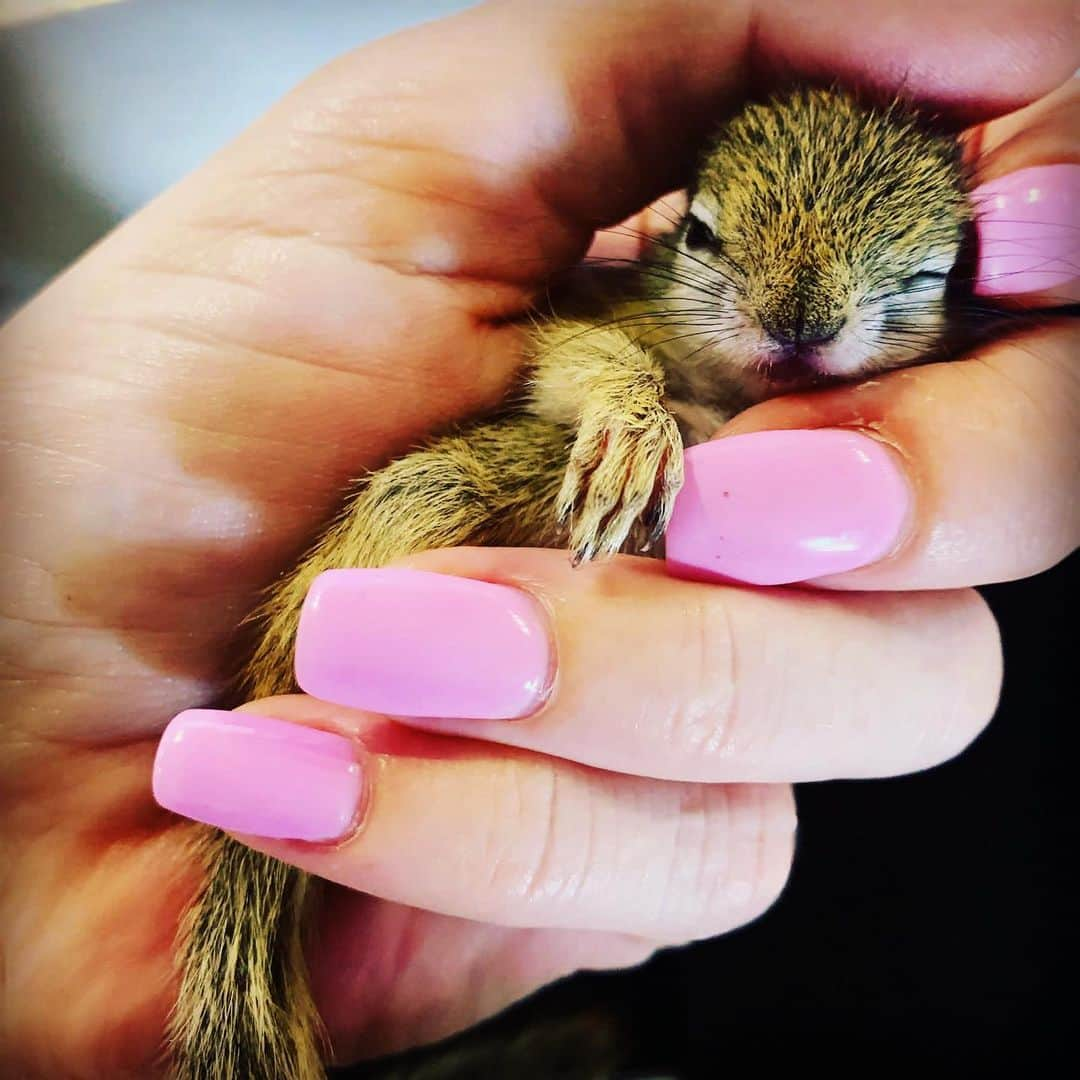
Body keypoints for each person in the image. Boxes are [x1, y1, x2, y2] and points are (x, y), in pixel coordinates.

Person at [2, 0, 1076, 1073]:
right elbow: (576, 350)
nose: (796, 328)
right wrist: (625, 407)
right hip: (479, 514)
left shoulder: (924, 392)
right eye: (715, 250)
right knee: (419, 499)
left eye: (914, 285)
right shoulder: (635, 307)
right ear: (678, 232)